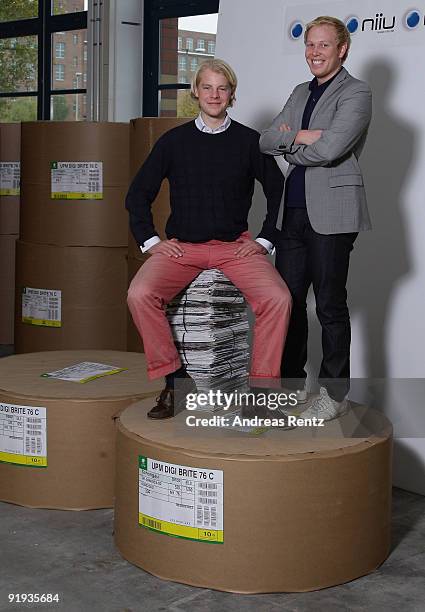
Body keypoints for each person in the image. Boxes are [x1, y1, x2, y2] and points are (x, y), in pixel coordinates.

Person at [126, 59, 291, 419]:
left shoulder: (251, 142)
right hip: (183, 248)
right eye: (207, 87)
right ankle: (173, 381)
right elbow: (137, 194)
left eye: (222, 88)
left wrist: (264, 241)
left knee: (278, 299)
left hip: (236, 248)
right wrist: (152, 242)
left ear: (232, 95)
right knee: (140, 294)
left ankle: (261, 392)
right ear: (195, 92)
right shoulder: (173, 142)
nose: (214, 95)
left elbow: (280, 192)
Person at [260, 16, 372, 421]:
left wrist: (292, 142)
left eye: (324, 45)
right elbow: (265, 138)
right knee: (287, 303)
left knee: (329, 305)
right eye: (310, 45)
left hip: (334, 213)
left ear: (342, 49)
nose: (314, 52)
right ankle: (290, 388)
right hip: (293, 210)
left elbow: (332, 149)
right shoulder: (298, 91)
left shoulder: (357, 92)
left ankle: (332, 393)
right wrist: (303, 136)